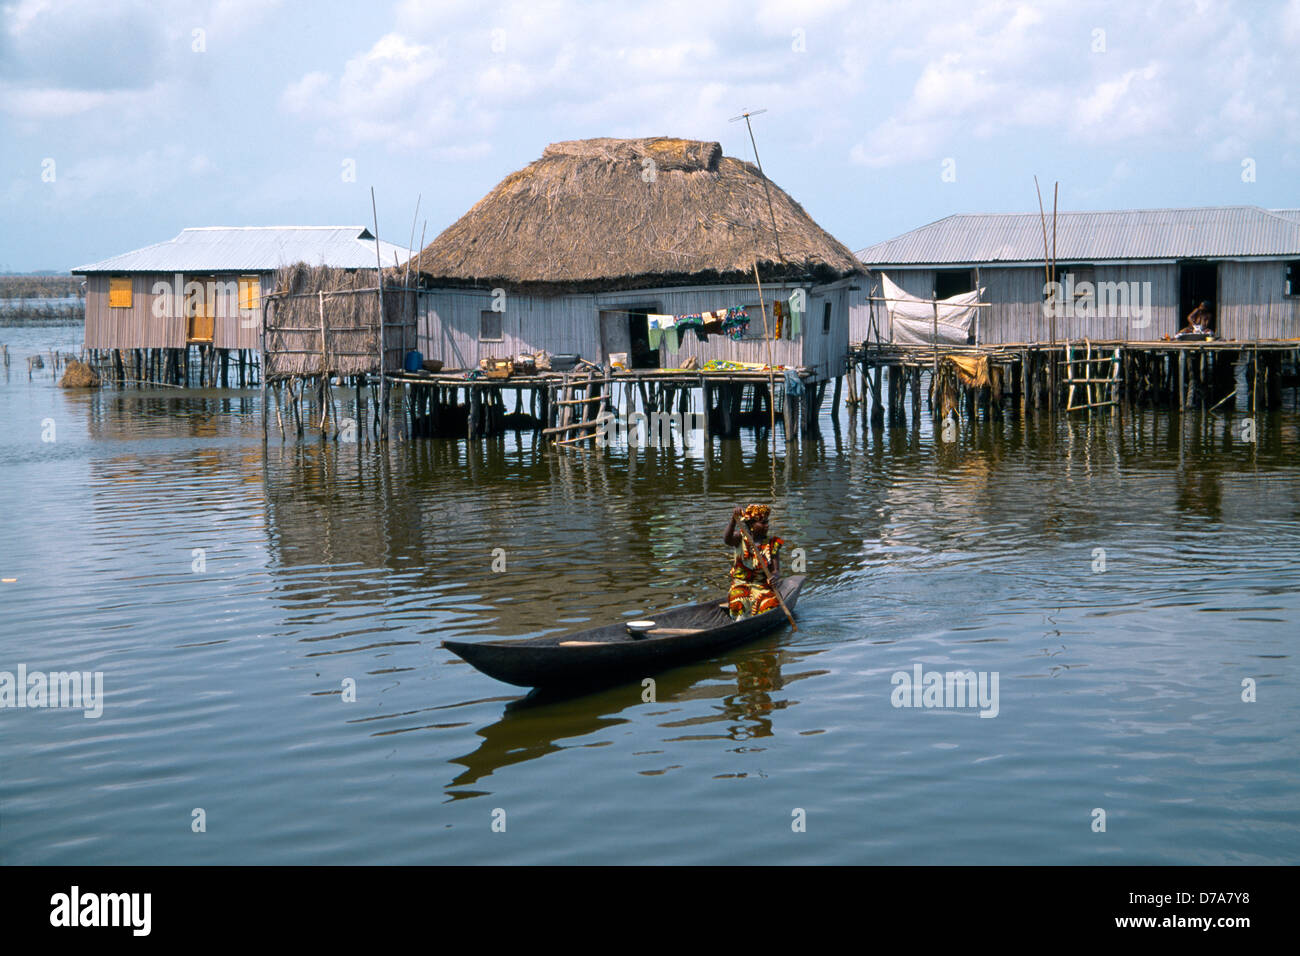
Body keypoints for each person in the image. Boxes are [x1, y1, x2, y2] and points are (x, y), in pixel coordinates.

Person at [724, 504, 784, 620]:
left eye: (767, 522)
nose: (766, 526)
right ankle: (740, 622)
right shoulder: (739, 538)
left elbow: (776, 571)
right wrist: (733, 520)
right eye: (762, 523)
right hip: (740, 585)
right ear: (752, 525)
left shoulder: (772, 543)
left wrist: (774, 577)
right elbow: (727, 540)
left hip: (762, 586)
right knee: (738, 605)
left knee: (769, 606)